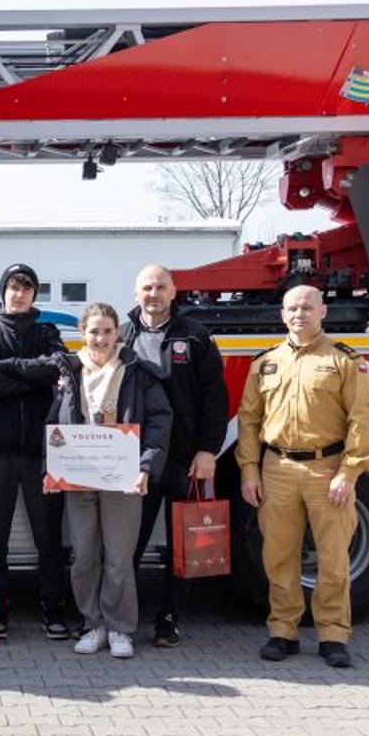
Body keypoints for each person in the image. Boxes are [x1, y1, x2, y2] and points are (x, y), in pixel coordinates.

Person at [236, 285, 369, 669]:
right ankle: (283, 631)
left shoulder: (344, 361)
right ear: (282, 314)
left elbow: (362, 419)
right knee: (278, 556)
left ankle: (333, 635)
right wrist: (249, 470)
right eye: (292, 308)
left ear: (323, 312)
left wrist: (348, 473)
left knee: (333, 558)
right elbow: (248, 420)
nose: (299, 314)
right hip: (277, 469)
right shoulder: (265, 363)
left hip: (326, 470)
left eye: (307, 308)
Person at [47, 303, 173, 659]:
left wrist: (146, 467)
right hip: (79, 477)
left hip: (123, 477)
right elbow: (55, 422)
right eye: (93, 332)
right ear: (82, 334)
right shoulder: (70, 371)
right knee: (84, 556)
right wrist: (50, 468)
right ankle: (93, 624)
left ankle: (119, 628)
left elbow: (160, 419)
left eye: (107, 331)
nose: (100, 339)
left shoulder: (137, 371)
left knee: (118, 557)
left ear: (118, 333)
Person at [121, 264, 228, 647]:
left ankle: (169, 617)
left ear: (173, 291)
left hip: (185, 459)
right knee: (128, 544)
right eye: (146, 287)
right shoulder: (121, 335)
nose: (153, 294)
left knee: (185, 541)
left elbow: (215, 397)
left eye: (160, 287)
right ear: (136, 293)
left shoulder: (195, 336)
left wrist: (208, 450)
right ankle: (123, 617)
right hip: (139, 461)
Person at [0, 263, 73, 640]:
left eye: (27, 288)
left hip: (41, 454)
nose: (19, 293)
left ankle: (54, 608)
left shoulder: (47, 333)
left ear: (33, 295)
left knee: (49, 538)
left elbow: (59, 367)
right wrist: (35, 380)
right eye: (13, 287)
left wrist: (10, 367)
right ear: (3, 292)